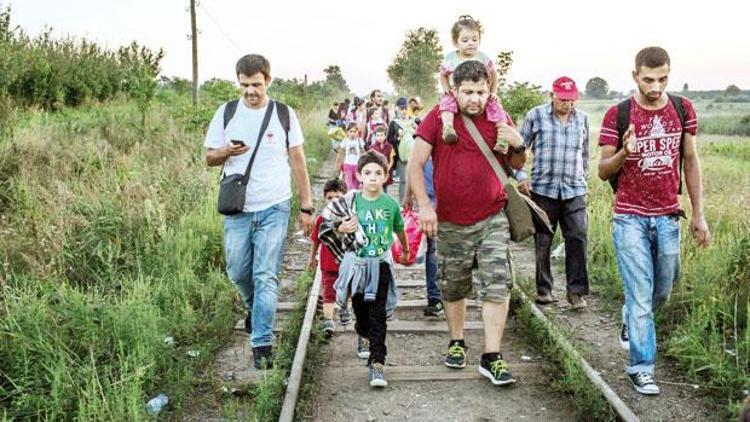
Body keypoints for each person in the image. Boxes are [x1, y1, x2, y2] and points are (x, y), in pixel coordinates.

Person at [597, 46, 710, 395]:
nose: (656, 87)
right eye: (648, 79)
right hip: (629, 216)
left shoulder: (681, 109)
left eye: (662, 79)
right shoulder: (618, 114)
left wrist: (698, 215)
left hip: (667, 216)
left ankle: (630, 318)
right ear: (635, 76)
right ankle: (641, 367)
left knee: (663, 287)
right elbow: (602, 171)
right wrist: (624, 153)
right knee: (642, 295)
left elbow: (690, 161)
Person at [407, 60, 526, 386]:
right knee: (454, 284)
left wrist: (518, 142)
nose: (475, 99)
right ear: (455, 91)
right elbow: (415, 165)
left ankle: (492, 356)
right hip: (450, 221)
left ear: (490, 90)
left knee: (497, 283)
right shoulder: (438, 117)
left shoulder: (498, 116)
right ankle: (457, 341)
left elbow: (516, 163)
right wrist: (425, 207)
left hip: (492, 216)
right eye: (469, 92)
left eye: (481, 92)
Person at [203, 53, 314, 370]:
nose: (250, 91)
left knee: (265, 275)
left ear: (268, 80)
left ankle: (262, 342)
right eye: (244, 85)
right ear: (238, 83)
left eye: (255, 84)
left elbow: (298, 162)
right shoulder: (226, 113)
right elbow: (209, 158)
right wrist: (226, 151)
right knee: (237, 270)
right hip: (238, 207)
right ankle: (255, 309)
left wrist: (306, 206)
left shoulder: (283, 114)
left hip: (275, 205)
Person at [326, 150, 410, 387]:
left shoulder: (390, 204)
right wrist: (341, 227)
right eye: (367, 173)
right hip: (356, 266)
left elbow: (399, 228)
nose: (373, 177)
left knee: (378, 315)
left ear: (385, 176)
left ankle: (377, 363)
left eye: (378, 173)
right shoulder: (352, 201)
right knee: (361, 310)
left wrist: (404, 249)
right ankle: (362, 332)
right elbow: (328, 220)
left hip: (381, 264)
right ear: (360, 176)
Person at [516, 76, 590, 309]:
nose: (567, 103)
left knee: (578, 237)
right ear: (552, 96)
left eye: (571, 100)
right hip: (543, 189)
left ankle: (576, 292)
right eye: (562, 99)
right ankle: (544, 289)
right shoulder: (535, 116)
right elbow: (517, 151)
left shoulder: (583, 119)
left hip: (574, 189)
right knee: (543, 241)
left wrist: (583, 178)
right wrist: (521, 176)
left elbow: (585, 155)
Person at [438, 15, 509, 152]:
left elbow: (494, 74)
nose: (471, 43)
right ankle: (448, 127)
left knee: (496, 107)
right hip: (457, 93)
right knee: (446, 103)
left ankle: (502, 138)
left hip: (481, 93)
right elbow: (443, 74)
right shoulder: (451, 59)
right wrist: (447, 89)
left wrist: (493, 91)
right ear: (455, 42)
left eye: (474, 39)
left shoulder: (483, 57)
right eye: (465, 40)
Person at [402, 157, 444, 317]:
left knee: (446, 250)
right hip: (429, 202)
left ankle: (445, 295)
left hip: (451, 201)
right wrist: (408, 194)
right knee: (433, 250)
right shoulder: (423, 141)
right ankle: (435, 298)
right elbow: (413, 166)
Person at [308, 179, 348, 337]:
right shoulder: (321, 219)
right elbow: (315, 241)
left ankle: (344, 308)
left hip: (347, 264)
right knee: (329, 292)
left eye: (338, 197)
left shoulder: (350, 217)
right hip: (327, 263)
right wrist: (312, 259)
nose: (334, 201)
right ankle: (328, 320)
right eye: (330, 198)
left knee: (347, 290)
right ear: (325, 199)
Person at [336, 122, 366, 191]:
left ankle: (354, 198)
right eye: (350, 131)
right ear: (347, 132)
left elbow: (363, 153)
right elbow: (340, 153)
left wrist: (364, 163)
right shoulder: (345, 141)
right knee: (349, 185)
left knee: (356, 185)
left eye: (354, 131)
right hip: (347, 165)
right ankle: (349, 198)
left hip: (357, 166)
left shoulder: (359, 141)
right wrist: (338, 164)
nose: (352, 133)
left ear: (358, 132)